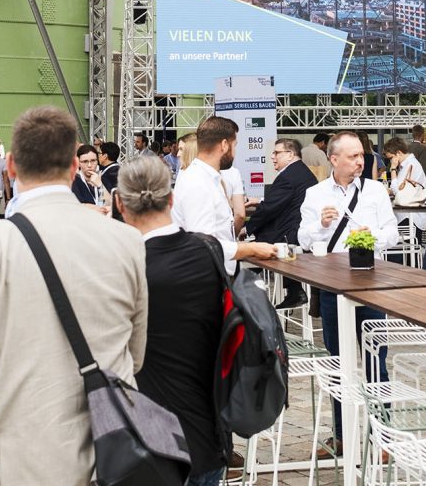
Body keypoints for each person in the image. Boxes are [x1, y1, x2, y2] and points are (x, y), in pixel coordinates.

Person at [0, 106, 146, 486]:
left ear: (11, 166)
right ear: (73, 168)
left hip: (16, 466)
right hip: (111, 463)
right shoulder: (128, 242)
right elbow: (136, 354)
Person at [116, 154, 229, 486]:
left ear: (121, 205)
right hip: (207, 435)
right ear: (172, 198)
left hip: (148, 443)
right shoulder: (210, 251)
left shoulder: (125, 266)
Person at [297, 131, 399, 455]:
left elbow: (393, 233)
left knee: (376, 362)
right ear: (334, 158)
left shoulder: (376, 192)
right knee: (337, 362)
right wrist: (321, 226)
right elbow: (303, 239)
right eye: (353, 156)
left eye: (361, 155)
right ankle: (342, 436)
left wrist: (375, 236)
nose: (360, 160)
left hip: (371, 285)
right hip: (331, 286)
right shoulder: (315, 194)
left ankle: (382, 437)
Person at [170, 116, 276, 271]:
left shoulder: (208, 178)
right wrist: (251, 249)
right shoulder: (198, 182)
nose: (235, 152)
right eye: (235, 145)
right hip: (203, 277)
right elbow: (204, 244)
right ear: (225, 145)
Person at [243, 137, 317, 309]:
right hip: (296, 232)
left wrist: (247, 228)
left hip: (288, 235)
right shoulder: (300, 171)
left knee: (247, 257)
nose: (272, 157)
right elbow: (283, 200)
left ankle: (246, 303)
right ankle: (293, 291)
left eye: (276, 152)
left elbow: (269, 209)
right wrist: (260, 200)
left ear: (290, 154)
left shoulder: (288, 176)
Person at [384, 138, 426, 235]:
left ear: (399, 153)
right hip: (410, 216)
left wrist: (393, 169)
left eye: (391, 158)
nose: (390, 161)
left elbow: (399, 192)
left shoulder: (410, 165)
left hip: (411, 217)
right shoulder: (409, 165)